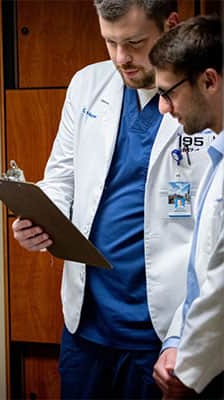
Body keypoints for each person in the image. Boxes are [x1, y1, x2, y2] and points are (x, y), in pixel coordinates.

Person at [11, 0, 212, 397]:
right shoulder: (88, 84)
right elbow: (61, 178)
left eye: (135, 42)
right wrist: (37, 217)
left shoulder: (203, 94)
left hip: (161, 331)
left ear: (170, 25)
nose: (123, 58)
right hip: (88, 325)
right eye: (110, 42)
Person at [149, 15, 223, 398]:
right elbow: (201, 269)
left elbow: (221, 289)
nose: (162, 108)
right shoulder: (217, 155)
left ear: (209, 81)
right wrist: (177, 337)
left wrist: (187, 375)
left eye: (168, 93)